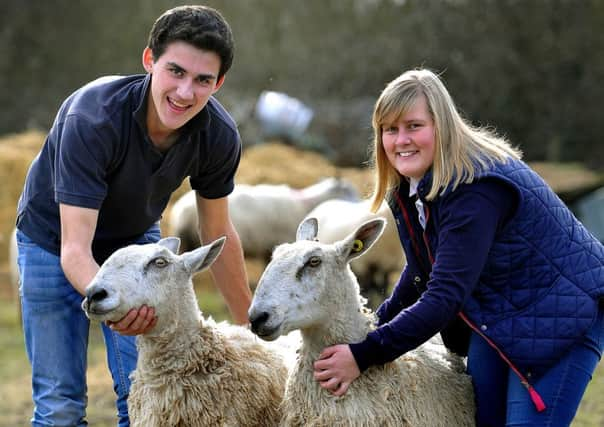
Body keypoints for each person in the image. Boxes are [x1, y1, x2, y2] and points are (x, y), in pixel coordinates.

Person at [313, 68, 604, 426]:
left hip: (563, 313)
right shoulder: (411, 187)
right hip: (499, 312)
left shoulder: (474, 190)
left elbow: (444, 295)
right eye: (391, 129)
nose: (401, 140)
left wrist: (363, 354)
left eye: (414, 126)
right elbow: (423, 272)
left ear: (442, 125)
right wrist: (371, 330)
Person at [15, 5, 252, 426]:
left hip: (136, 245)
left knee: (143, 395)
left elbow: (219, 231)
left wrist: (252, 332)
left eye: (203, 80)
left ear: (219, 83)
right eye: (175, 72)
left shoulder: (218, 136)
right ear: (149, 61)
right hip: (52, 242)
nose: (185, 93)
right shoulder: (92, 118)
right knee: (60, 406)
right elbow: (75, 247)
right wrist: (121, 306)